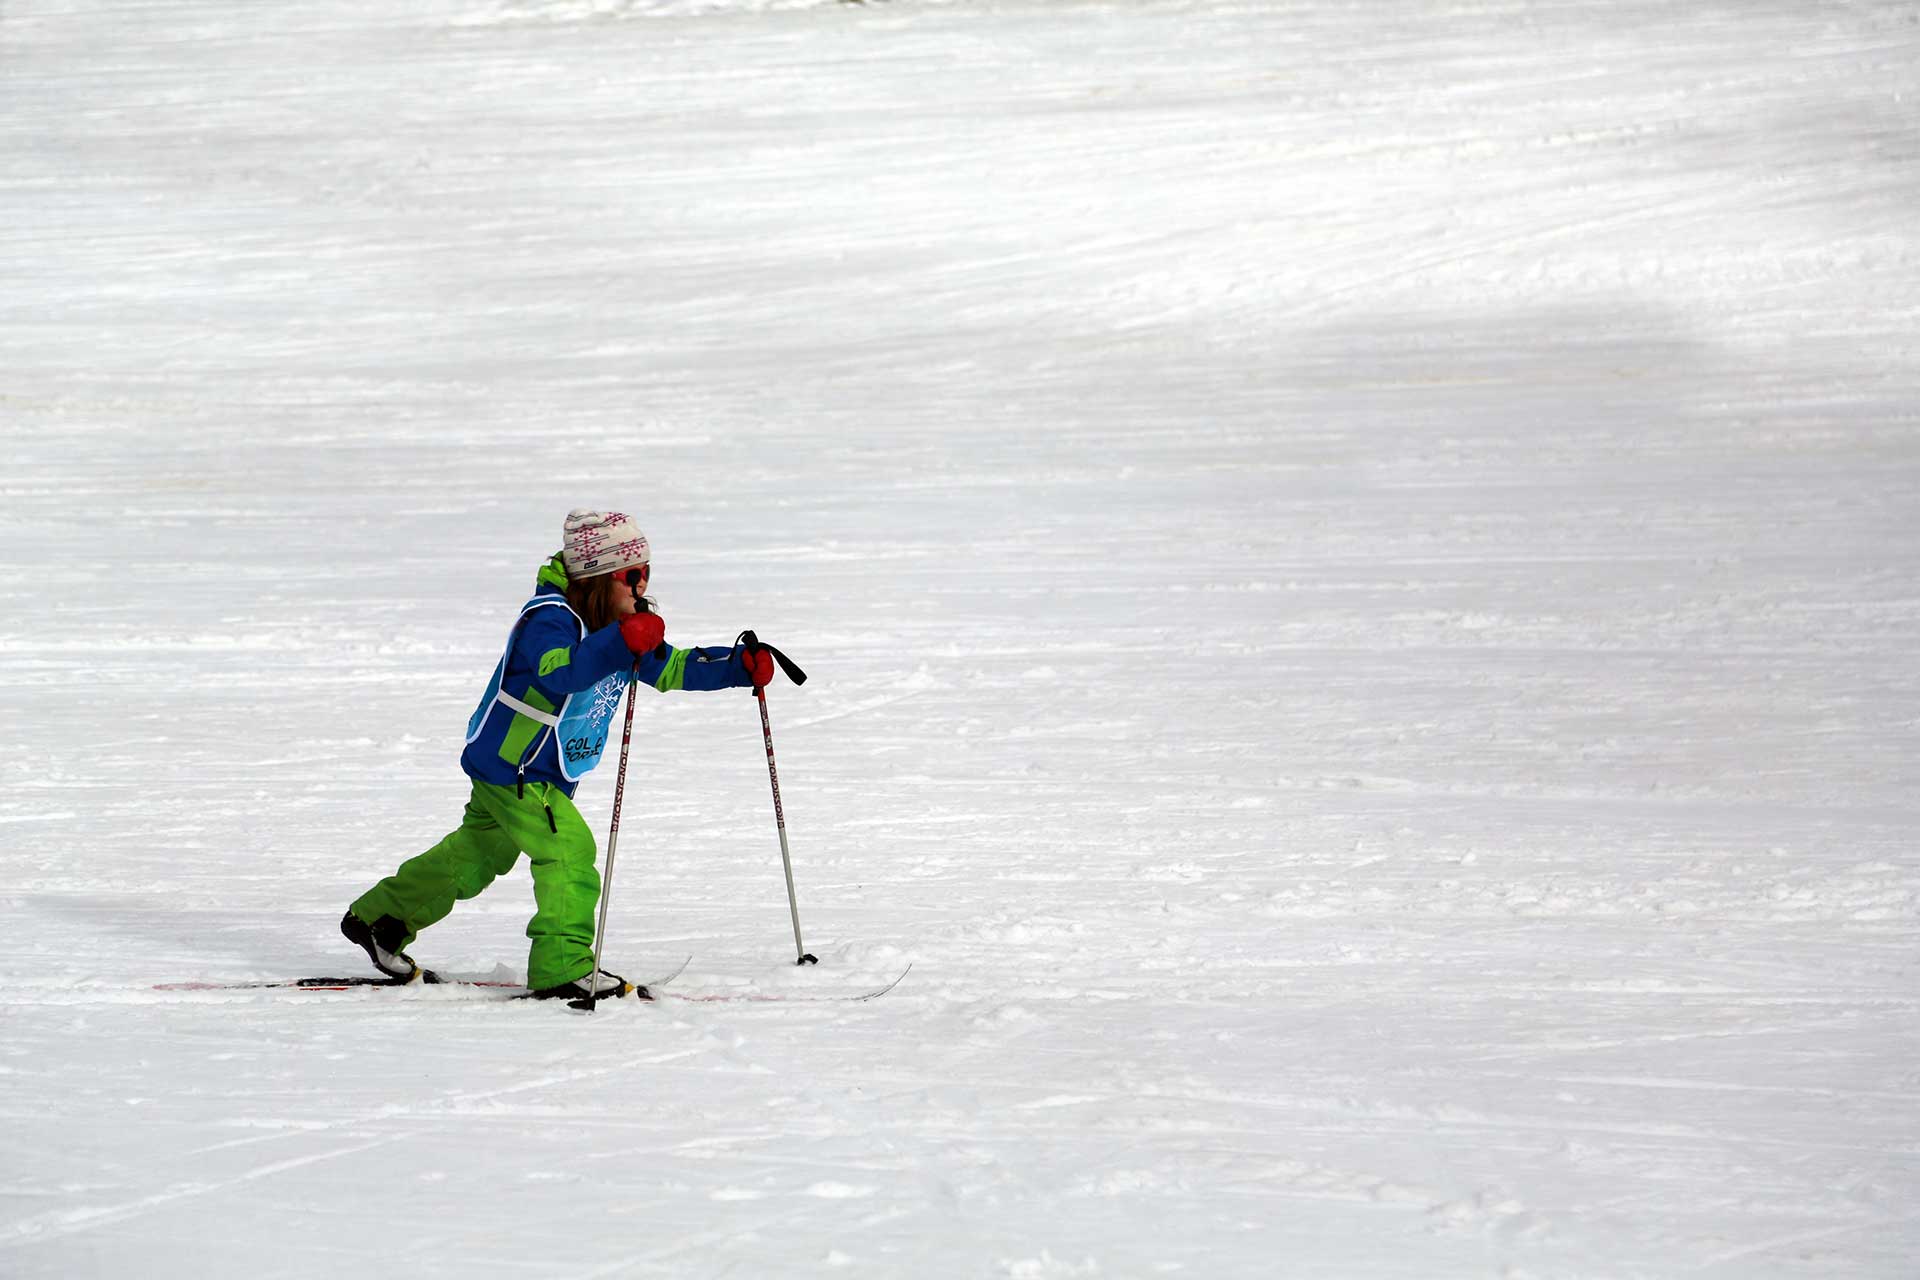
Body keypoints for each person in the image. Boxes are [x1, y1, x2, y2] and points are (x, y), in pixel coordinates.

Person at [339, 508, 781, 1000]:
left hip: (523, 767)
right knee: (568, 851)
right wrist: (618, 641)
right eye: (631, 575)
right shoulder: (549, 618)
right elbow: (557, 672)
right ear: (596, 577)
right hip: (518, 767)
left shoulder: (618, 622)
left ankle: (382, 917)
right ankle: (561, 965)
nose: (642, 585)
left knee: (478, 854)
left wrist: (735, 666)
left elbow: (669, 667)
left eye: (646, 573)